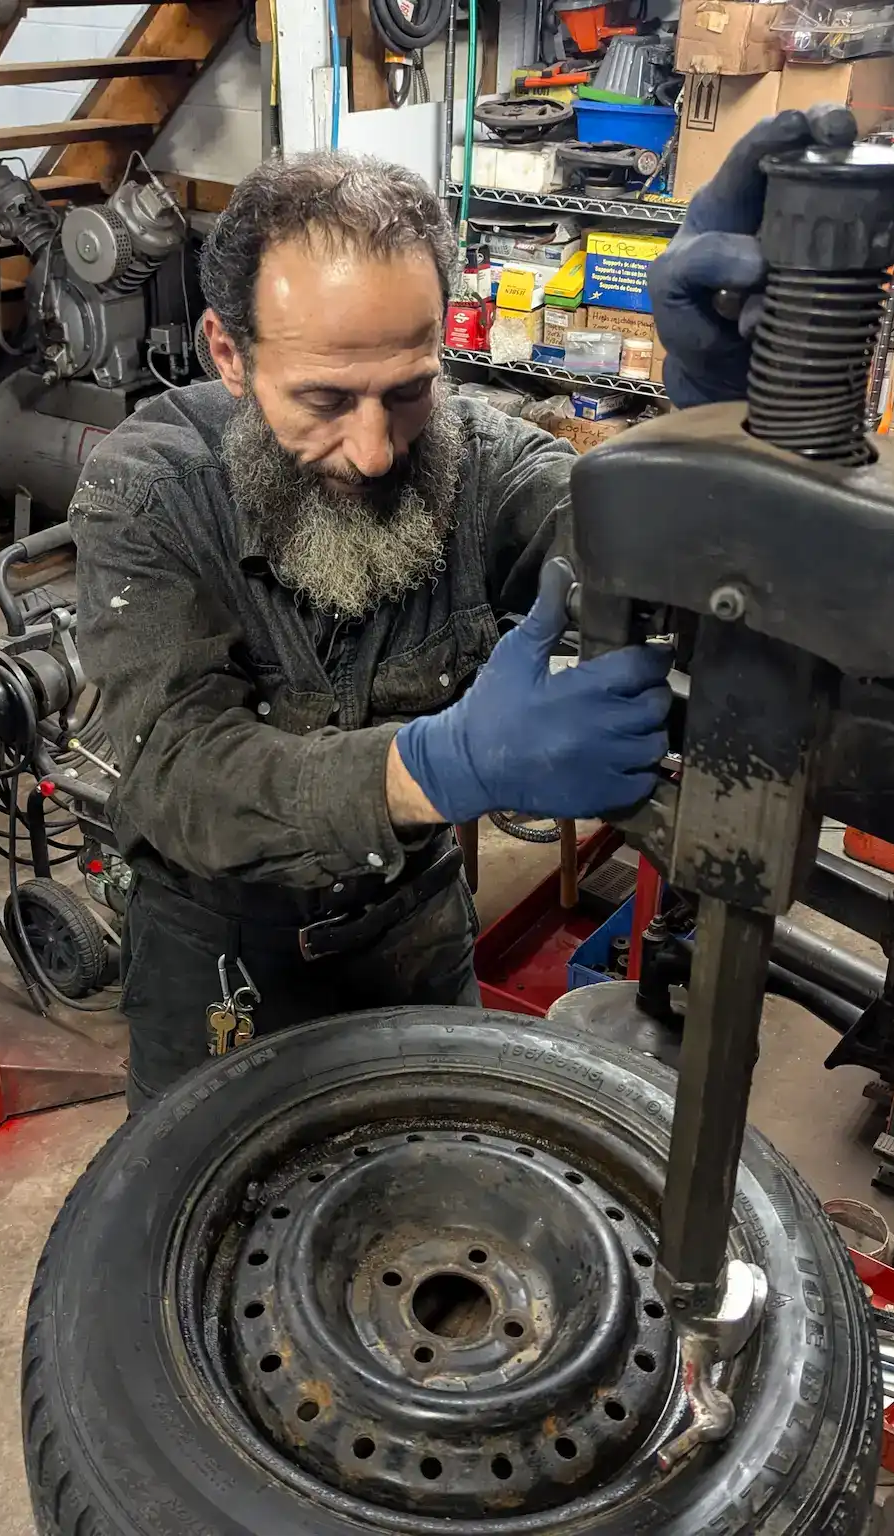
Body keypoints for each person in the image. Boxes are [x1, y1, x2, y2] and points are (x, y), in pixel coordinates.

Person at [70, 118, 839, 1108]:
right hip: (216, 954)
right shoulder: (150, 488)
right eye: (325, 399)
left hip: (412, 930)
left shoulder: (483, 463)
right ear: (228, 351)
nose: (377, 449)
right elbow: (177, 770)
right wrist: (435, 768)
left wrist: (722, 421)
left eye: (408, 392)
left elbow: (651, 569)